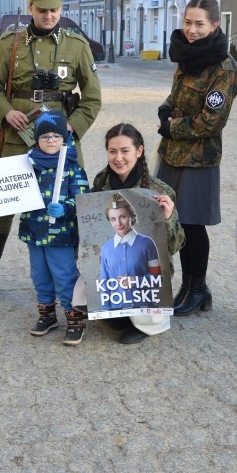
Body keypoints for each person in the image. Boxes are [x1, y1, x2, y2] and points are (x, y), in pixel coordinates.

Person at [0, 0, 102, 304]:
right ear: (31, 8)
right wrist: (6, 113)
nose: (48, 15)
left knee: (74, 204)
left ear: (61, 9)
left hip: (61, 137)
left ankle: (86, 277)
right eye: (42, 10)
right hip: (19, 135)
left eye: (54, 10)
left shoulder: (77, 45)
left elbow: (93, 97)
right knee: (3, 205)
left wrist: (74, 126)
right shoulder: (10, 43)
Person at [156, 0, 237, 316]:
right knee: (175, 220)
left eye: (199, 24)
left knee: (193, 225)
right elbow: (175, 94)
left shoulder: (224, 67)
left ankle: (198, 288)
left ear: (214, 25)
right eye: (187, 22)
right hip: (172, 154)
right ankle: (186, 287)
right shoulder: (187, 57)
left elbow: (211, 120)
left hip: (199, 158)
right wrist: (165, 110)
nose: (191, 29)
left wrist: (172, 126)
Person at [0, 111, 88, 345]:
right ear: (37, 140)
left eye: (56, 136)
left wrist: (66, 208)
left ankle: (75, 318)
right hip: (34, 231)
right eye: (45, 137)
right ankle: (47, 314)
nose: (51, 140)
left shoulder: (72, 168)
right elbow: (5, 181)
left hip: (61, 236)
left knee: (64, 276)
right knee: (40, 275)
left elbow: (83, 199)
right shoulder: (29, 164)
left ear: (64, 138)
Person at [91, 123, 185, 343]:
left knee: (144, 306)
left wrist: (169, 219)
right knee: (82, 292)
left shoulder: (158, 190)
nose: (118, 158)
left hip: (146, 268)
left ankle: (145, 322)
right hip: (114, 261)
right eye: (112, 151)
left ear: (139, 151)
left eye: (125, 151)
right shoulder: (101, 182)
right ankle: (119, 312)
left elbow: (174, 246)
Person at [98, 194, 161, 309]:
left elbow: (157, 279)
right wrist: (106, 312)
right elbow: (104, 283)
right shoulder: (106, 248)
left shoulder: (147, 243)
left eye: (122, 217)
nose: (118, 223)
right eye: (113, 219)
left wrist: (136, 281)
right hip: (117, 310)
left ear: (131, 216)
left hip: (144, 307)